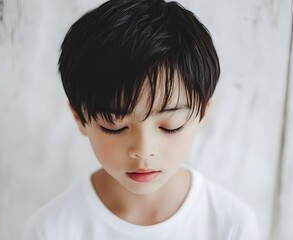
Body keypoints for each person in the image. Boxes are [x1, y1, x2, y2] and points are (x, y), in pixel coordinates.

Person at [23, 0, 261, 239]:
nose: (144, 151)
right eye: (114, 126)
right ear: (79, 117)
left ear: (202, 114)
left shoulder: (231, 226)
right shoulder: (51, 230)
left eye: (170, 126)